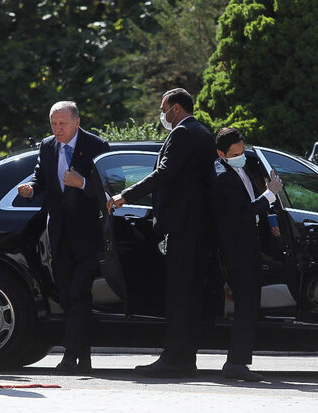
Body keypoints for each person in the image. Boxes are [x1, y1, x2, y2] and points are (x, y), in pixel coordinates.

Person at [107, 88, 217, 378]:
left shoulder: (182, 134)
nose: (162, 115)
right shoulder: (204, 134)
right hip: (199, 226)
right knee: (190, 295)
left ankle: (173, 359)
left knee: (179, 295)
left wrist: (126, 195)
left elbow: (165, 173)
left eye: (163, 109)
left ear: (177, 109)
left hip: (182, 226)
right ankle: (186, 357)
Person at [17, 101, 110, 372]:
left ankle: (73, 354)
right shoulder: (48, 146)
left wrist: (80, 183)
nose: (57, 129)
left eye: (63, 124)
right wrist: (31, 189)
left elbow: (109, 192)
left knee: (81, 292)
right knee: (68, 293)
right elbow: (40, 178)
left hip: (88, 233)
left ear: (77, 122)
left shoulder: (97, 146)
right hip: (58, 232)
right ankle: (82, 355)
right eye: (53, 124)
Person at [213, 128, 282, 382]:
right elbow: (244, 212)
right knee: (246, 304)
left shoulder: (245, 165)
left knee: (251, 303)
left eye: (242, 151)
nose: (241, 156)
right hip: (236, 250)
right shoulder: (221, 176)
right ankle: (236, 362)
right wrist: (271, 191)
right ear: (221, 154)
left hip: (251, 245)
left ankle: (238, 360)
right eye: (235, 154)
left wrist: (272, 213)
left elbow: (256, 199)